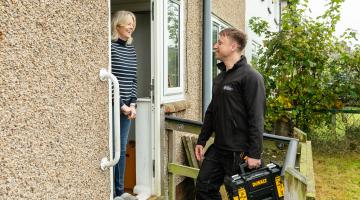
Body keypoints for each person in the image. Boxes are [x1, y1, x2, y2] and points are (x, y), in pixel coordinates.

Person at [195, 28, 266, 200]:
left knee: (239, 195)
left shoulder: (251, 77)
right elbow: (212, 111)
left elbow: (256, 117)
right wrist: (202, 140)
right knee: (203, 187)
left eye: (220, 42)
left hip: (240, 152)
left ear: (233, 46)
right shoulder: (220, 78)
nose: (215, 46)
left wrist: (254, 154)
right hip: (219, 148)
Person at [111, 10, 138, 199]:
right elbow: (111, 81)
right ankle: (116, 192)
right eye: (128, 23)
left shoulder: (131, 49)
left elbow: (134, 79)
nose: (131, 27)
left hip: (127, 108)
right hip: (115, 107)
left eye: (133, 24)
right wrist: (121, 105)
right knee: (115, 149)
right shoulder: (110, 48)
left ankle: (119, 191)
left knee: (122, 148)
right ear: (118, 25)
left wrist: (133, 105)